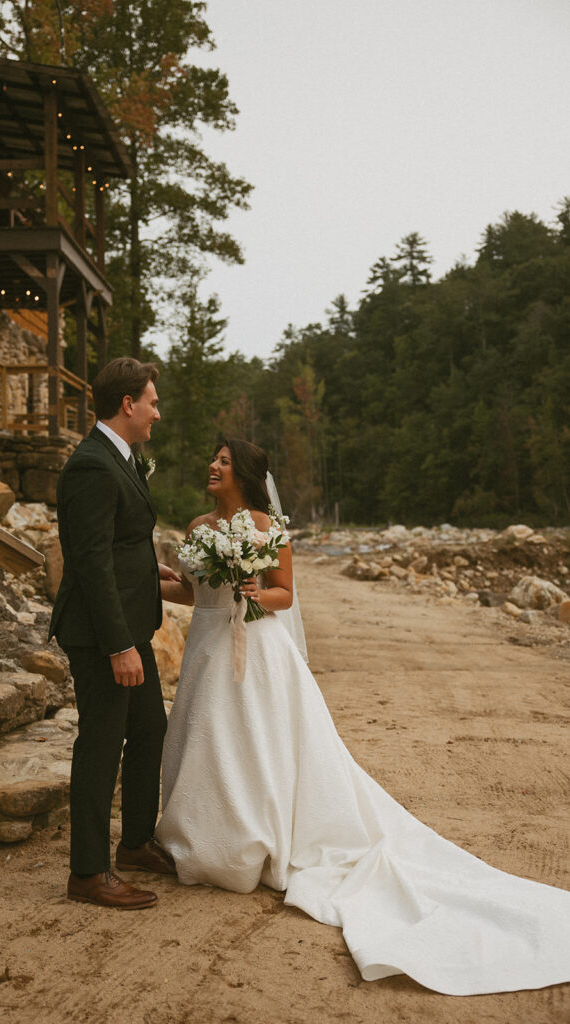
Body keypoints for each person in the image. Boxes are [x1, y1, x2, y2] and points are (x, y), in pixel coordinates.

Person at [156, 437, 570, 995]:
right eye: (214, 458)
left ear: (246, 473)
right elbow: (192, 592)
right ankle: (201, 840)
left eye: (224, 461)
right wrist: (151, 582)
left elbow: (284, 595)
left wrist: (249, 591)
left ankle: (254, 840)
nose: (213, 465)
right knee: (205, 744)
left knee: (254, 746)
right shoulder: (199, 525)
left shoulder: (268, 526)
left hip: (257, 651)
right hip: (208, 648)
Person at [49, 357, 179, 910]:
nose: (156, 412)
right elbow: (91, 561)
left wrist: (152, 572)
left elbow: (122, 541)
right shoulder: (91, 466)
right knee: (101, 745)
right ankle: (87, 873)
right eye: (151, 401)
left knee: (151, 728)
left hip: (131, 628)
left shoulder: (121, 458)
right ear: (127, 404)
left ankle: (134, 842)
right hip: (104, 635)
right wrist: (118, 646)